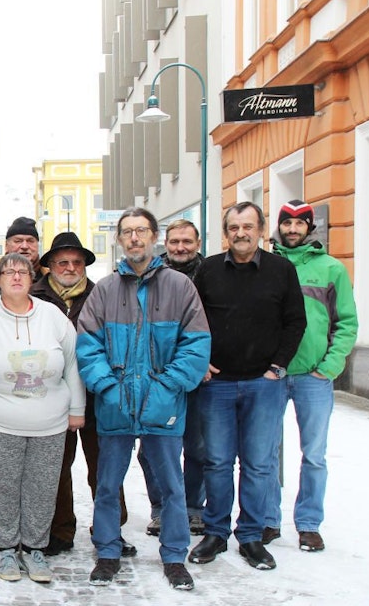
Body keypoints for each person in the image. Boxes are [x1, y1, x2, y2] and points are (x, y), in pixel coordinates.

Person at [77, 208, 211, 591]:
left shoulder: (180, 288)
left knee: (172, 487)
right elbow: (88, 346)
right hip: (116, 405)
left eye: (141, 231)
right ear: (119, 240)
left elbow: (196, 343)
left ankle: (174, 556)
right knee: (107, 484)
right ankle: (107, 551)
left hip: (163, 406)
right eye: (127, 232)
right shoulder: (104, 290)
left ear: (154, 237)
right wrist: (108, 387)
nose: (134, 238)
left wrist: (167, 387)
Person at [190, 201, 307, 571]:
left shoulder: (281, 270)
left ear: (260, 230)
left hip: (264, 383)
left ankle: (252, 536)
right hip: (217, 383)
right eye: (234, 227)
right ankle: (216, 533)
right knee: (218, 462)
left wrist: (278, 366)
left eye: (248, 226)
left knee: (258, 464)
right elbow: (191, 320)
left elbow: (295, 322)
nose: (241, 233)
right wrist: (201, 361)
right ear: (226, 233)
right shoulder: (208, 270)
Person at [0, 253, 85, 584]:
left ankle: (35, 549)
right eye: (7, 271)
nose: (15, 276)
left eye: (22, 271)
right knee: (1, 487)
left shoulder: (54, 317)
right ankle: (5, 550)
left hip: (50, 423)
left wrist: (77, 409)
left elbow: (72, 365)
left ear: (32, 279)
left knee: (41, 488)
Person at [264, 200, 357, 552]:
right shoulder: (267, 266)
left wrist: (330, 367)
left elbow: (346, 322)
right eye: (286, 223)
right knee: (265, 452)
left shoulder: (331, 269)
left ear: (309, 227)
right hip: (271, 373)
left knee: (314, 453)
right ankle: (268, 519)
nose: (291, 229)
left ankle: (308, 523)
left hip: (312, 377)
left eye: (298, 224)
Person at [29, 231, 124, 557]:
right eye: (63, 262)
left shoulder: (103, 295)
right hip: (52, 395)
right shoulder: (34, 296)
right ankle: (60, 530)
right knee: (56, 466)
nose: (70, 267)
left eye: (76, 262)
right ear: (50, 265)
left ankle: (110, 529)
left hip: (98, 394)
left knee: (104, 465)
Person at [140, 219, 207, 538]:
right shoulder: (151, 276)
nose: (181, 247)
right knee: (150, 448)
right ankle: (160, 508)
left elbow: (212, 324)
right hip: (155, 375)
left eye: (187, 241)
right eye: (175, 241)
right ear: (165, 243)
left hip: (197, 376)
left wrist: (203, 362)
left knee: (197, 445)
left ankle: (193, 508)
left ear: (197, 243)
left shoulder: (210, 275)